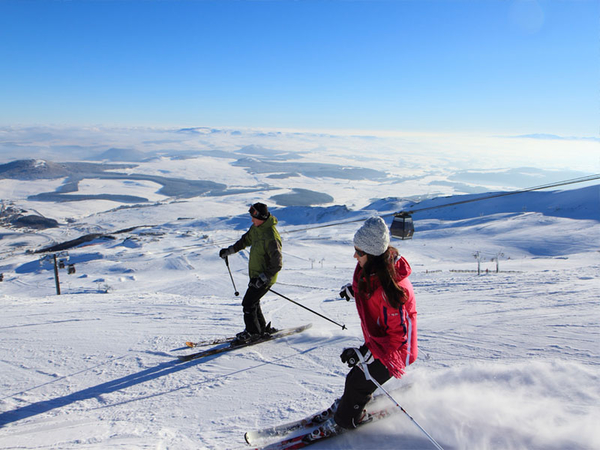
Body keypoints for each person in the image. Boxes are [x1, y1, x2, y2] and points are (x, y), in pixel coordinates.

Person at [330, 216, 418, 431]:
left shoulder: (392, 291)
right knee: (356, 377)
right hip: (381, 343)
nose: (355, 255)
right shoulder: (376, 270)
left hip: (396, 350)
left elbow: (398, 337)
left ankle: (349, 420)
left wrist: (366, 354)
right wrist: (355, 290)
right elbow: (370, 284)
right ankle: (353, 402)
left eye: (359, 252)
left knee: (358, 382)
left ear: (372, 254)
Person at [219, 202, 283, 344]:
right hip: (255, 275)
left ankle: (253, 332)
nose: (252, 220)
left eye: (254, 217)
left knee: (248, 303)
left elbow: (277, 264)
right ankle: (261, 329)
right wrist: (228, 251)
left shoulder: (271, 236)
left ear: (261, 217)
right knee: (253, 302)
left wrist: (262, 278)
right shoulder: (256, 228)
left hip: (265, 278)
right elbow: (244, 241)